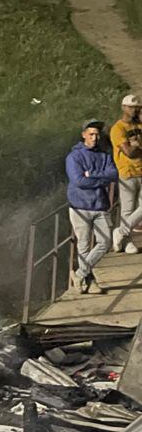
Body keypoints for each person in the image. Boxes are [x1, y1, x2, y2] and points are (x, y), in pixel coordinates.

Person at [67, 119, 119, 293]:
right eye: (91, 134)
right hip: (80, 206)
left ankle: (80, 274)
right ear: (83, 136)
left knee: (105, 241)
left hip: (100, 205)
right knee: (83, 245)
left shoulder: (104, 155)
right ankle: (88, 282)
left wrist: (92, 175)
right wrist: (99, 178)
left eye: (97, 134)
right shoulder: (74, 156)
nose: (95, 138)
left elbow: (113, 174)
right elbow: (78, 180)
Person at [111, 95, 142, 253]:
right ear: (123, 107)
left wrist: (137, 146)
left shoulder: (140, 125)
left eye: (137, 108)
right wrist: (136, 147)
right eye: (131, 107)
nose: (135, 110)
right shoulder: (118, 128)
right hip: (127, 172)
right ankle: (126, 242)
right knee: (127, 209)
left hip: (141, 170)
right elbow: (129, 152)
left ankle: (121, 232)